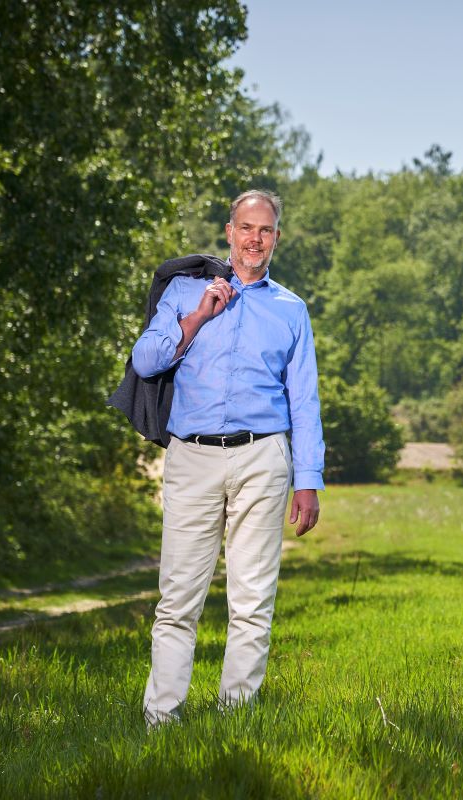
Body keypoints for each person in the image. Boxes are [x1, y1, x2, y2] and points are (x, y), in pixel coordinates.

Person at [131, 189, 324, 725]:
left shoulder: (291, 310)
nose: (254, 239)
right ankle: (161, 718)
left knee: (252, 600)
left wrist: (308, 481)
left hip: (264, 458)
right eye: (245, 227)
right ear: (229, 231)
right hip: (192, 457)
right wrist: (197, 317)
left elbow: (303, 400)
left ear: (276, 239)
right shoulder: (187, 291)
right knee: (177, 599)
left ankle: (235, 718)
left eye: (264, 230)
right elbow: (145, 361)